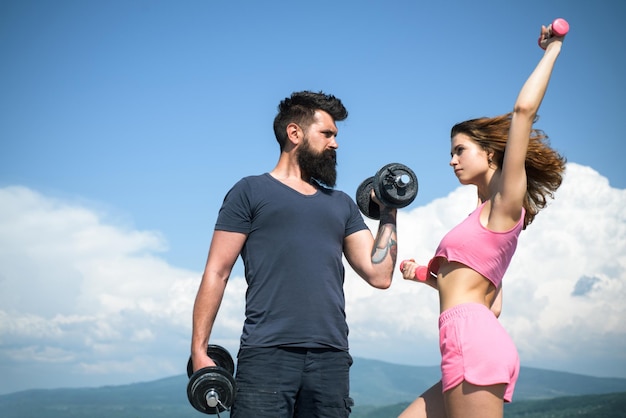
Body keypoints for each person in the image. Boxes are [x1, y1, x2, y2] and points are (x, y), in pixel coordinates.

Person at [191, 91, 398, 418]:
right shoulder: (250, 192)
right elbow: (216, 272)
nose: (335, 144)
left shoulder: (342, 203)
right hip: (266, 355)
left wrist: (389, 212)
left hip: (330, 358)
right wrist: (199, 350)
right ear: (294, 133)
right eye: (327, 134)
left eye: (336, 136)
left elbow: (380, 274)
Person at [398, 23, 568, 418]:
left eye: (460, 150)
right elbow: (487, 299)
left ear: (491, 154)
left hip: (470, 341)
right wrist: (422, 272)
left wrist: (553, 49)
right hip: (470, 336)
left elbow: (523, 113)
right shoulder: (480, 219)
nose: (451, 160)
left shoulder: (505, 205)